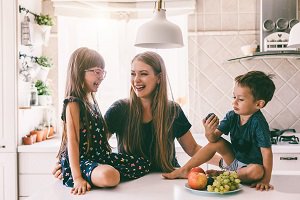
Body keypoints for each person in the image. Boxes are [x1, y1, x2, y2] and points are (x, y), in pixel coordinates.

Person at [53, 51, 220, 179]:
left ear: (159, 78)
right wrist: (67, 165)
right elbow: (91, 144)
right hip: (129, 182)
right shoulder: (120, 109)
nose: (136, 80)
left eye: (144, 74)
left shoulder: (173, 111)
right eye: (133, 74)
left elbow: (193, 149)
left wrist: (227, 163)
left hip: (166, 179)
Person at [57, 47, 151, 195]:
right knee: (110, 176)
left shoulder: (90, 100)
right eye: (97, 71)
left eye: (103, 72)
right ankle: (89, 174)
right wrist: (77, 178)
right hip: (83, 162)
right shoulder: (73, 103)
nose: (101, 77)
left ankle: (97, 173)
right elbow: (72, 141)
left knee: (143, 164)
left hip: (100, 158)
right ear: (79, 71)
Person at [162, 71, 276, 191]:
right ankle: (184, 170)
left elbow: (267, 153)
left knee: (257, 170)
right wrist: (208, 132)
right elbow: (213, 139)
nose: (234, 102)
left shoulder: (259, 123)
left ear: (259, 104)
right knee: (217, 143)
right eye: (234, 97)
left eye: (241, 99)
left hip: (250, 168)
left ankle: (222, 175)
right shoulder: (232, 116)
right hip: (235, 161)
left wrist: (265, 180)